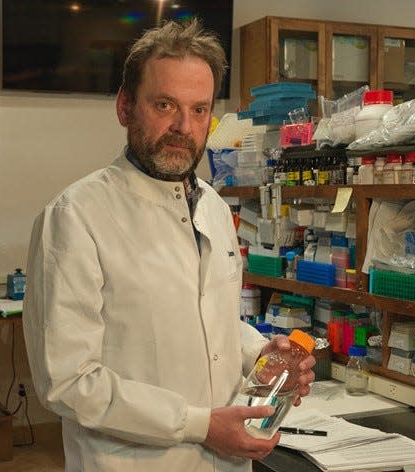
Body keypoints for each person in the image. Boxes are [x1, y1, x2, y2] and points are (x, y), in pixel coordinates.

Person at [22, 19, 316, 472]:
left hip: (227, 460)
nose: (184, 126)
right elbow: (68, 380)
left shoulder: (215, 209)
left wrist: (261, 354)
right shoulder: (76, 216)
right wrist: (200, 424)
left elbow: (211, 321)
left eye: (199, 110)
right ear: (125, 107)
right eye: (165, 105)